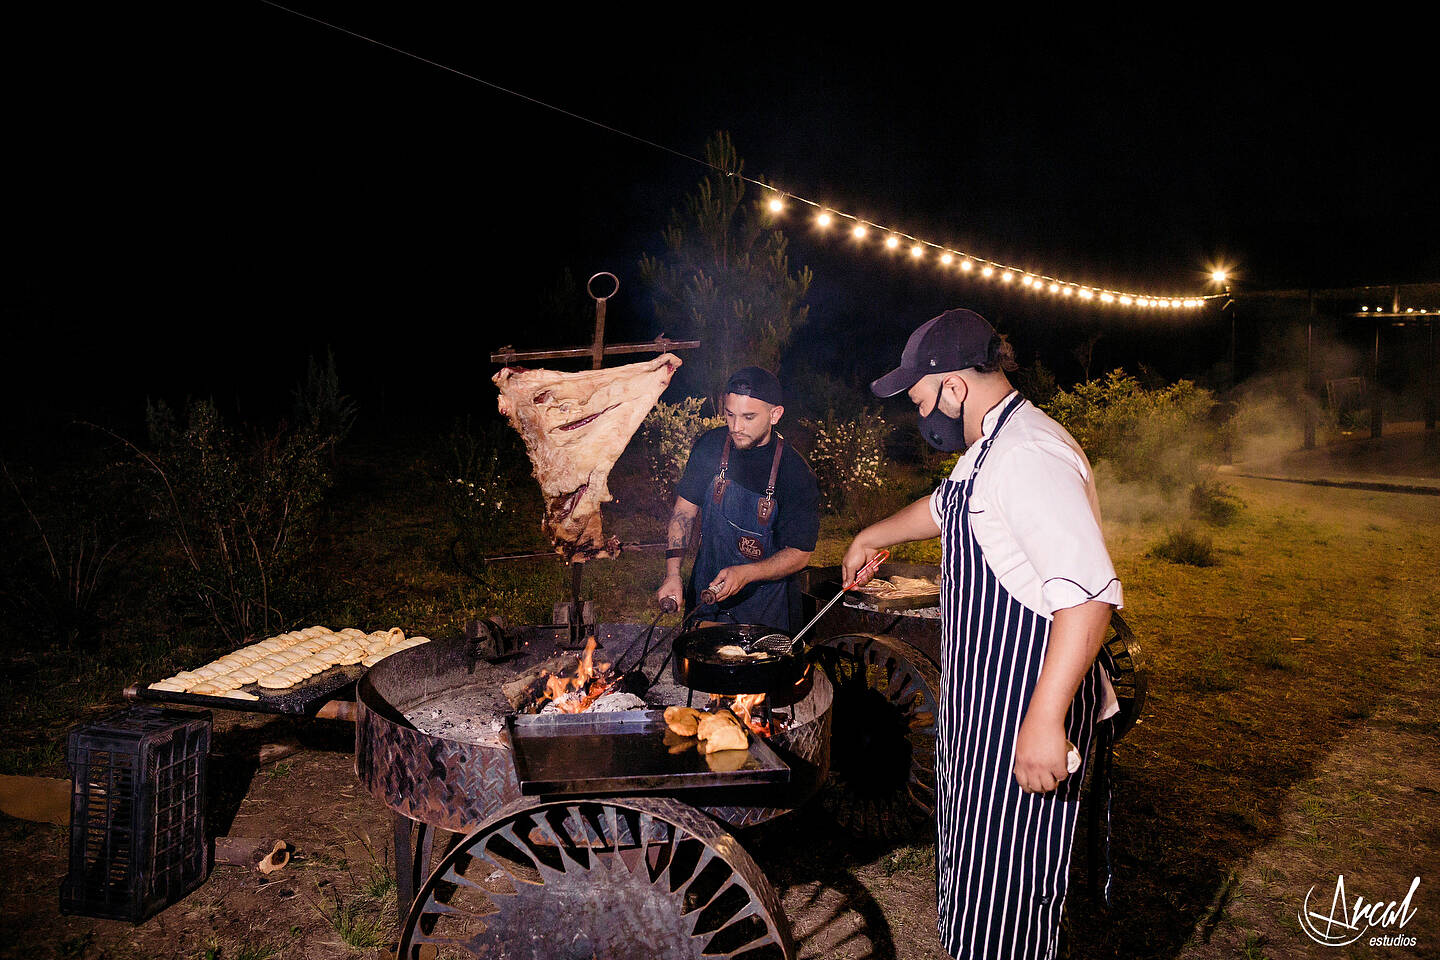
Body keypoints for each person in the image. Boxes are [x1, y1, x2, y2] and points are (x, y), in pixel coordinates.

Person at [842, 308, 1122, 960]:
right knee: (975, 880)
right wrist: (870, 535)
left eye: (920, 401)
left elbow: (1087, 597)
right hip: (982, 708)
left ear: (954, 386)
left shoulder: (1028, 455)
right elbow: (945, 508)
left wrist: (1045, 720)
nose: (921, 416)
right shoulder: (991, 448)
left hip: (1022, 707)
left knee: (1010, 896)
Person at [657, 366, 820, 631]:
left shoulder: (795, 473)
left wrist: (746, 573)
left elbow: (799, 554)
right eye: (730, 414)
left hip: (766, 610)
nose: (735, 427)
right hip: (706, 599)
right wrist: (672, 574)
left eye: (748, 417)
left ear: (775, 414)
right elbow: (683, 513)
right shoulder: (710, 446)